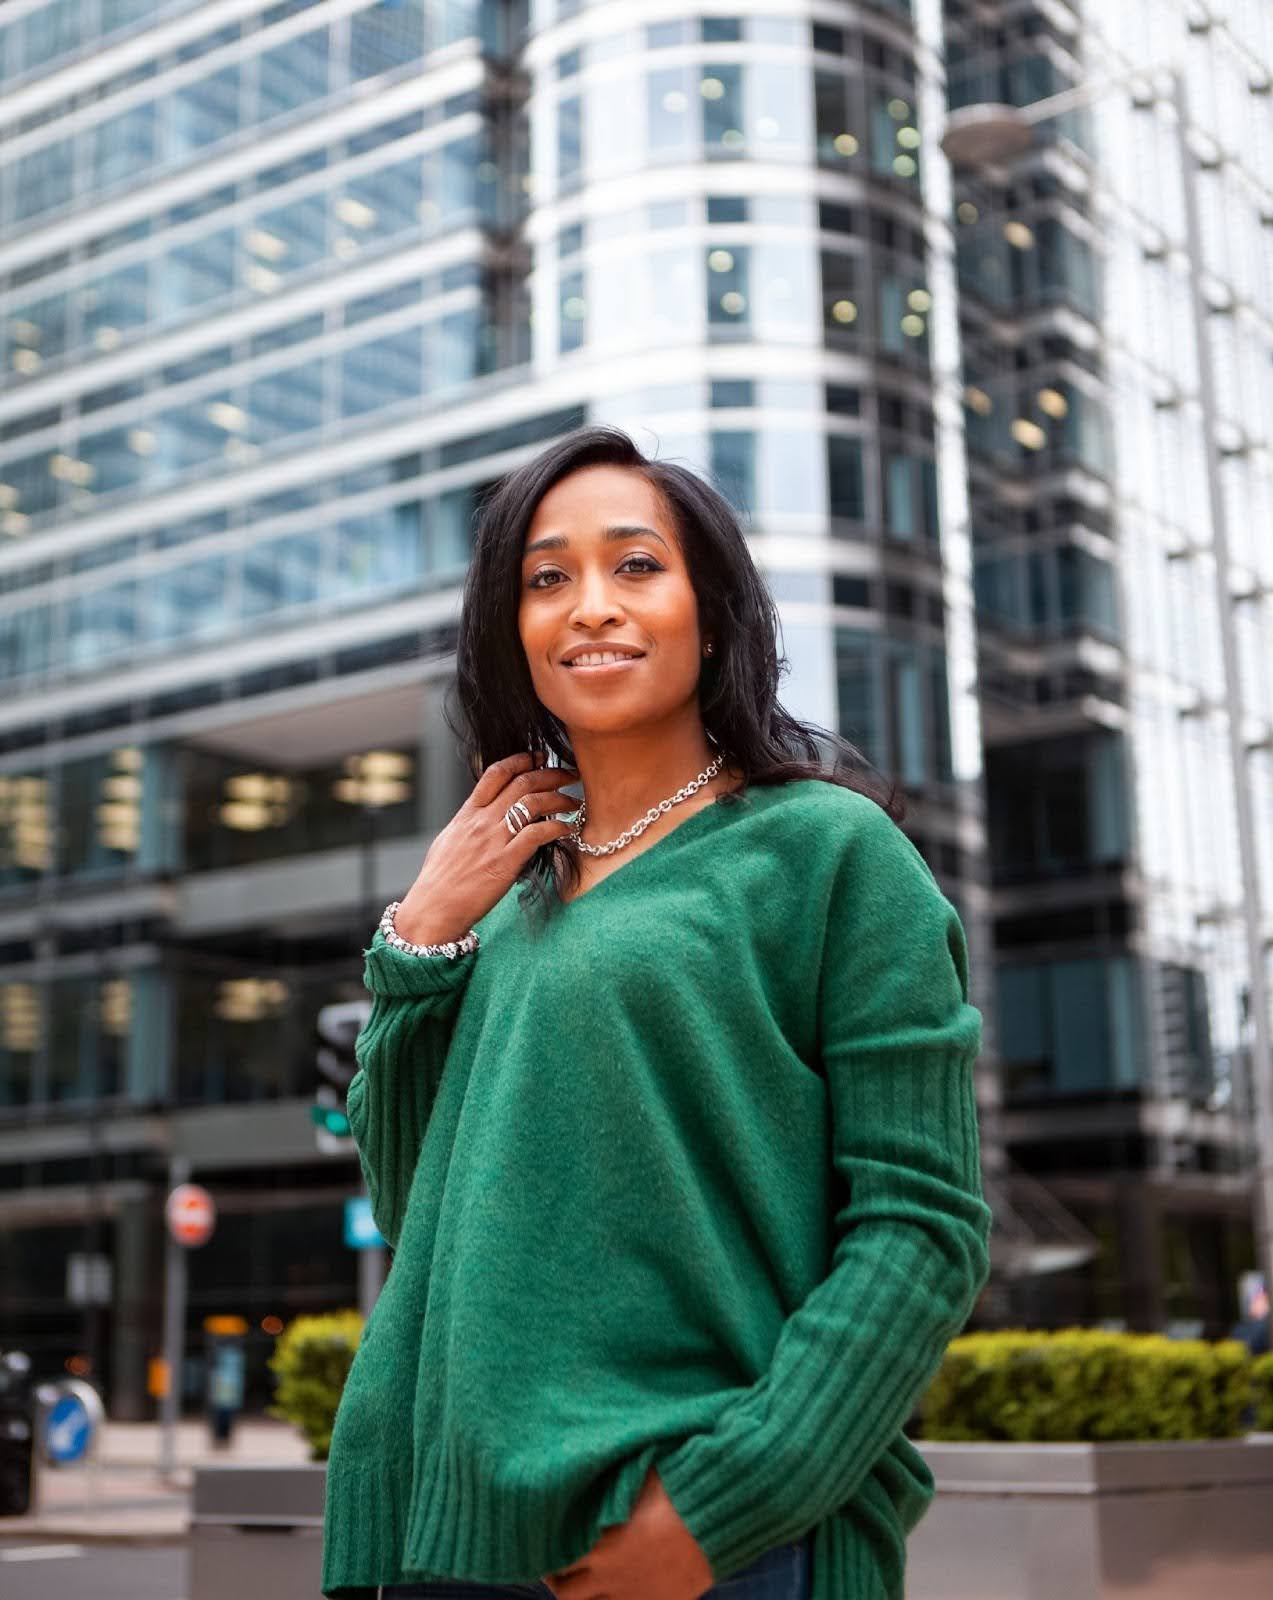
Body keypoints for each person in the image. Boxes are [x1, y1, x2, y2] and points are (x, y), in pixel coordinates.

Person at [320, 424, 992, 1600]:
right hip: (454, 1533)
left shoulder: (829, 853)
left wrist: (721, 1505)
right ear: (510, 631)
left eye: (636, 565)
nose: (590, 606)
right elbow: (416, 1204)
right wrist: (419, 940)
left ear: (714, 611)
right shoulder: (504, 894)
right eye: (546, 576)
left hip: (711, 1534)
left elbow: (920, 1225)